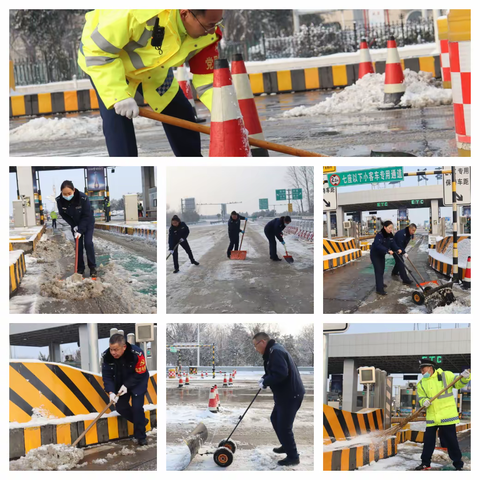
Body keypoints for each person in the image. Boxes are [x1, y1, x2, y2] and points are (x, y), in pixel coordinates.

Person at [78, 9, 224, 157]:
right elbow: (98, 52)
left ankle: (192, 163)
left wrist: (227, 118)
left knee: (179, 111)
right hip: (105, 63)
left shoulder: (208, 35)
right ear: (185, 14)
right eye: (208, 25)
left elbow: (209, 83)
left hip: (151, 70)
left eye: (217, 23)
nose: (212, 30)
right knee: (118, 119)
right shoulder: (137, 12)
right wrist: (119, 96)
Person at [253, 332, 305, 466]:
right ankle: (285, 444)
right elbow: (274, 371)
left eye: (255, 345)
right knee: (275, 419)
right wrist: (265, 378)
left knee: (283, 426)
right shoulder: (273, 351)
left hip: (290, 395)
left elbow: (281, 373)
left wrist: (266, 382)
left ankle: (293, 456)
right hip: (286, 394)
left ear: (262, 342)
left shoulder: (275, 352)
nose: (255, 349)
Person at [415, 358, 471, 471]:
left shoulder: (445, 375)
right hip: (432, 418)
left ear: (430, 368)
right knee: (428, 442)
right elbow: (421, 398)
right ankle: (425, 463)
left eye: (423, 369)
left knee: (451, 442)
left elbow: (458, 383)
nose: (421, 371)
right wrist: (424, 401)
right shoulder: (421, 384)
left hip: (447, 416)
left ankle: (458, 464)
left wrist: (466, 377)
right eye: (420, 369)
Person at [102, 333, 150, 446]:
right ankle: (141, 422)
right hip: (121, 382)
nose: (113, 352)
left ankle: (141, 437)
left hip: (138, 381)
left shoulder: (137, 353)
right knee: (121, 407)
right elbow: (107, 376)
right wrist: (111, 392)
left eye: (116, 349)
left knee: (137, 407)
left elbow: (140, 372)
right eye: (111, 349)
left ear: (124, 347)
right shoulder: (107, 356)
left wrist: (127, 385)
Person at [56, 180, 97, 278]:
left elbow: (87, 215)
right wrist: (73, 225)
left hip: (87, 222)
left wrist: (80, 230)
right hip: (75, 224)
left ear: (74, 190)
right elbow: (64, 214)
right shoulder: (59, 200)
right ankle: (80, 269)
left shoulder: (83, 198)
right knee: (78, 246)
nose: (67, 195)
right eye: (64, 194)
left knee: (88, 243)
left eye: (69, 193)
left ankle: (92, 268)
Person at [370, 220, 401, 295]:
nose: (391, 229)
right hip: (375, 255)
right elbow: (378, 245)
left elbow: (393, 243)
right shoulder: (379, 235)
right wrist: (387, 250)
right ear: (385, 227)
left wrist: (397, 249)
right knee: (379, 271)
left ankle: (380, 283)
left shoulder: (390, 235)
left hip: (381, 255)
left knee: (382, 269)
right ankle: (379, 289)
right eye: (389, 228)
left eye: (391, 228)